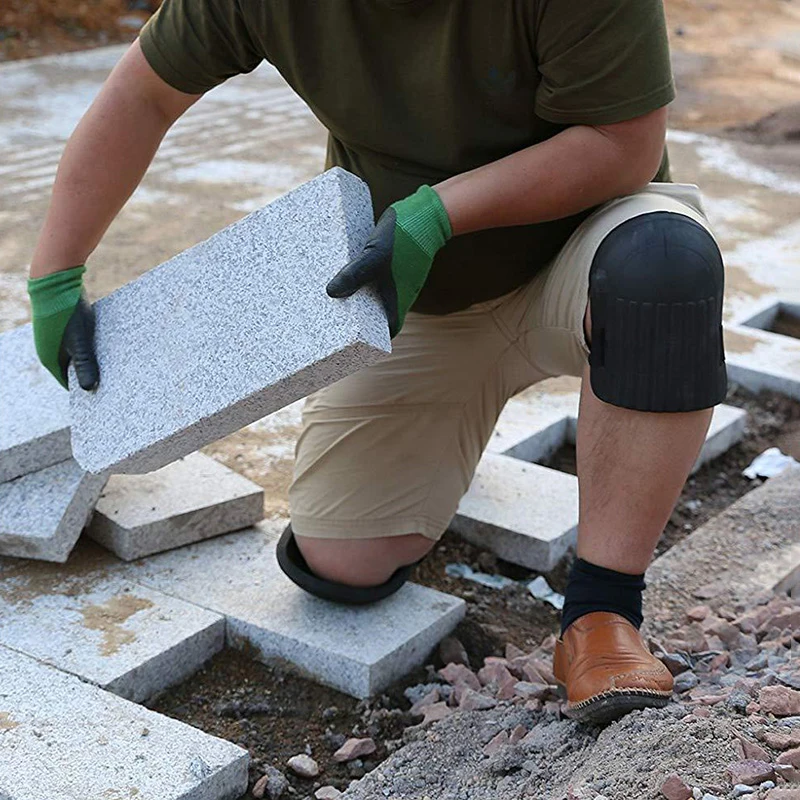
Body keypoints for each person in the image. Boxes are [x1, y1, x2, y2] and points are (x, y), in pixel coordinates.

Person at [27, 0, 727, 725]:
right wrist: (55, 273)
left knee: (665, 269)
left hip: (580, 256)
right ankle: (458, 423)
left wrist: (439, 213)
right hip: (407, 293)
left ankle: (601, 616)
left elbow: (624, 145)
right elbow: (144, 93)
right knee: (341, 565)